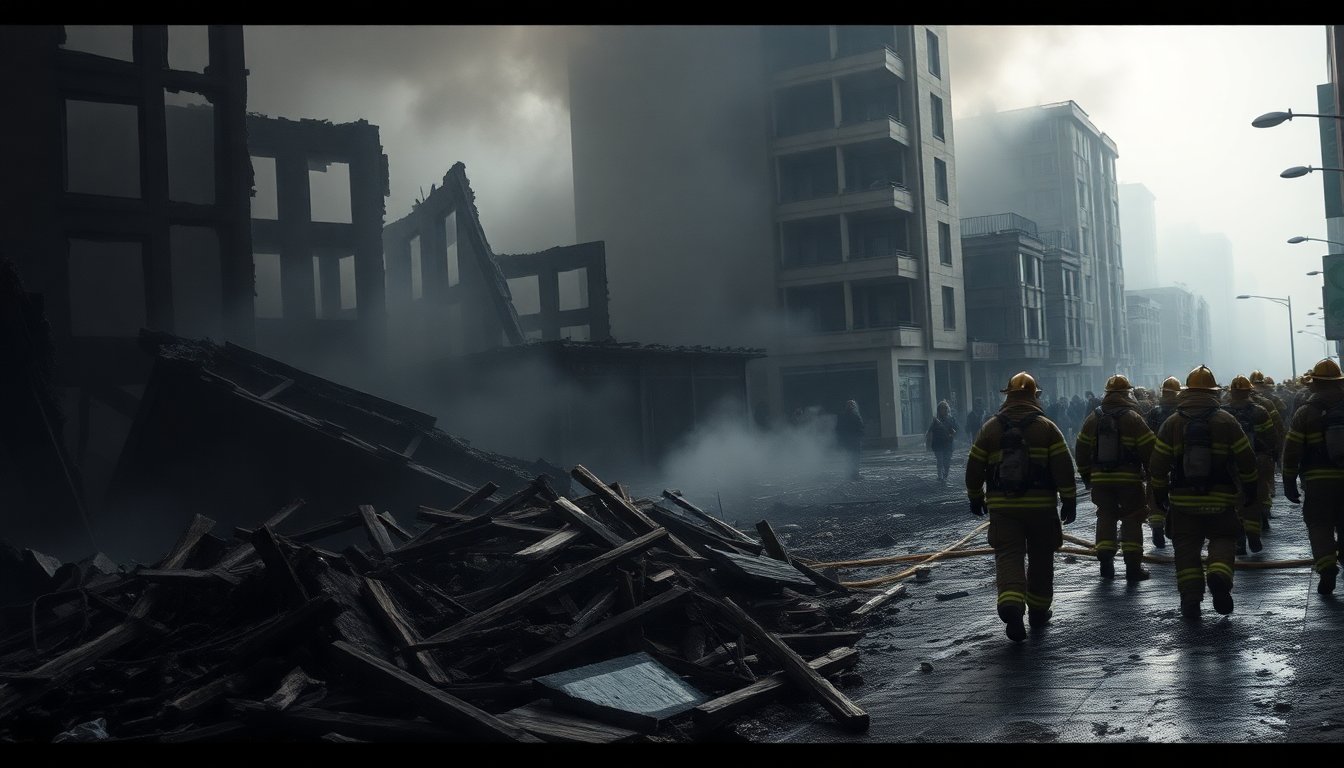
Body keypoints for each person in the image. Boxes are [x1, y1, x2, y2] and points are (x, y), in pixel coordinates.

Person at [965, 371, 1077, 642]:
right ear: (1035, 396)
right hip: (1041, 507)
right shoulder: (1046, 427)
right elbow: (1063, 466)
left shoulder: (990, 427)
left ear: (1008, 396)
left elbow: (974, 465)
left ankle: (1012, 606)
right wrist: (1069, 498)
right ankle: (1038, 611)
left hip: (1004, 507)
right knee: (1041, 556)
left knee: (1008, 555)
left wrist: (975, 496)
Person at [1148, 365, 1259, 620]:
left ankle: (1190, 599)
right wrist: (1251, 489)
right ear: (1213, 392)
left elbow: (1158, 464)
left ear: (1186, 392)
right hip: (1221, 499)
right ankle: (1219, 575)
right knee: (1223, 539)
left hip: (1183, 501)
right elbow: (1246, 459)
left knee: (1186, 550)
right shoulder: (1225, 420)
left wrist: (1160, 492)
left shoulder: (1172, 423)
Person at [1075, 374, 1157, 581]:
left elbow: (1081, 448)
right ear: (1127, 393)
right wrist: (1151, 473)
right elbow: (1150, 448)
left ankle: (1105, 557)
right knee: (1133, 516)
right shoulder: (1133, 418)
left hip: (1101, 479)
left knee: (1105, 514)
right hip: (1129, 479)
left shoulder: (1093, 418)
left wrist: (1086, 474)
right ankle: (1133, 567)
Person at [1281, 359, 1344, 595]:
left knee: (1319, 525)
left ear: (1314, 384)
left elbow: (1292, 449)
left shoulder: (1305, 413)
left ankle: (1327, 568)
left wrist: (1288, 480)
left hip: (1318, 483)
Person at [1223, 375, 1276, 556]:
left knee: (1234, 500)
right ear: (1249, 391)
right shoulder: (1260, 411)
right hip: (1257, 460)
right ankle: (1253, 533)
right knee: (1253, 497)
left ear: (1231, 392)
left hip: (1230, 463)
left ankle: (1240, 540)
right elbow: (1271, 437)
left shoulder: (1222, 413)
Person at [1143, 376, 1182, 548]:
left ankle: (1157, 527)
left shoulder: (1153, 412)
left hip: (1157, 459)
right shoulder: (1182, 414)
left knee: (1154, 492)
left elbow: (1145, 438)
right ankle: (1178, 529)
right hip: (1179, 461)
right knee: (1180, 493)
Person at [926, 400, 958, 485]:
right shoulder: (936, 420)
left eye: (945, 408)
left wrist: (953, 434)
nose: (944, 410)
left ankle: (945, 475)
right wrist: (928, 442)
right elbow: (930, 431)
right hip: (938, 444)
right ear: (939, 410)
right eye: (942, 408)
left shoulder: (951, 419)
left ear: (948, 409)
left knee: (947, 462)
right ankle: (940, 476)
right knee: (940, 460)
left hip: (948, 444)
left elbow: (956, 429)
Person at [835, 399, 864, 481]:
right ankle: (854, 474)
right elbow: (860, 427)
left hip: (847, 441)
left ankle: (849, 474)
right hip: (854, 440)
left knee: (849, 457)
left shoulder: (842, 416)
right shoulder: (855, 415)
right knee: (855, 457)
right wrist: (860, 436)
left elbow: (838, 429)